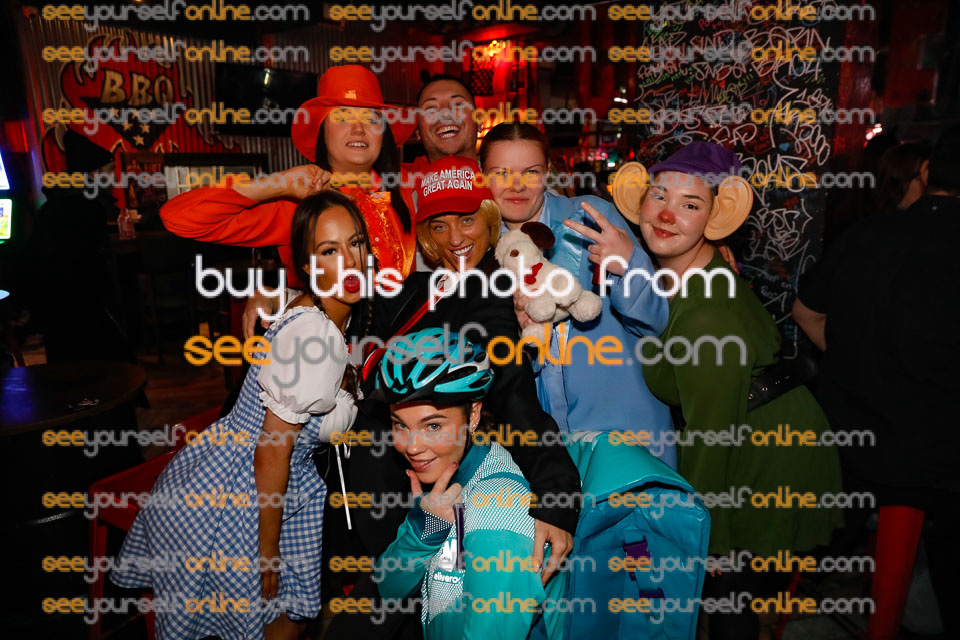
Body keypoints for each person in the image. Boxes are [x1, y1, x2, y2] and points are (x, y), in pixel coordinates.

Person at [110, 191, 371, 639]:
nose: (349, 262)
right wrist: (266, 551)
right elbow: (273, 449)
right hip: (240, 494)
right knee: (275, 619)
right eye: (329, 251)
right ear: (308, 265)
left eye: (356, 243)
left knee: (281, 616)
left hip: (224, 469)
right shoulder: (316, 335)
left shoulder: (308, 305)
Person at [614, 141, 843, 639]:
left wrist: (705, 532)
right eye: (659, 196)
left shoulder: (707, 312)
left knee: (726, 603)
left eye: (690, 204)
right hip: (745, 437)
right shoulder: (683, 276)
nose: (667, 214)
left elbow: (710, 431)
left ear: (715, 218)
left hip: (764, 457)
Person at [792, 128, 960, 636]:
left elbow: (805, 312)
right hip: (934, 460)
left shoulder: (866, 233)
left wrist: (856, 358)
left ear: (926, 174)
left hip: (849, 442)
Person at [478, 122, 675, 467]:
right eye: (501, 173)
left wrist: (629, 267)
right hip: (547, 447)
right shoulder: (482, 253)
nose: (516, 185)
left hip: (627, 429)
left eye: (530, 171)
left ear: (547, 172)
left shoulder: (590, 220)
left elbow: (653, 321)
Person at [159, 65, 418, 283]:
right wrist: (277, 183)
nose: (359, 128)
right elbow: (178, 218)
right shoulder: (295, 203)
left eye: (372, 119)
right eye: (342, 117)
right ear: (322, 133)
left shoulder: (406, 186)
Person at [374, 329, 546, 639]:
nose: (412, 446)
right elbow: (388, 589)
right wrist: (425, 531)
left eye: (433, 426)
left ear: (474, 415)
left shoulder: (498, 511)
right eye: (400, 425)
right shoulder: (447, 478)